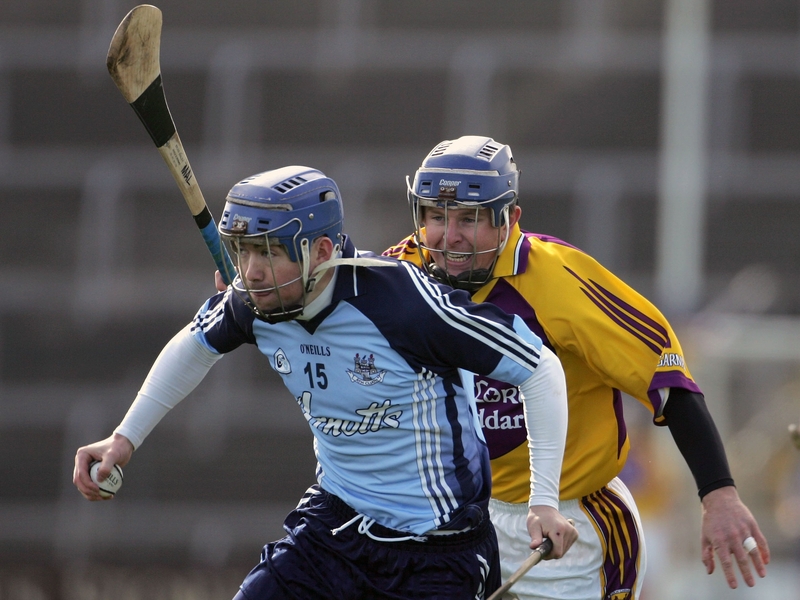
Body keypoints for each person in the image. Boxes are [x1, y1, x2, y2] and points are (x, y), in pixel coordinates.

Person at [73, 165, 578, 600]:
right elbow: (194, 345)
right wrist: (124, 438)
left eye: (268, 252)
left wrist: (544, 502)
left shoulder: (404, 304)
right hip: (333, 527)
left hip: (439, 550)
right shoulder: (254, 302)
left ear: (319, 251)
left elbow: (539, 368)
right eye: (244, 252)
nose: (251, 272)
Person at [382, 135, 770, 599]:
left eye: (470, 218)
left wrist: (719, 493)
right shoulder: (400, 274)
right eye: (436, 216)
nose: (450, 236)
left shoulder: (560, 279)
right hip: (450, 521)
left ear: (509, 219)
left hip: (571, 528)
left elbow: (666, 381)